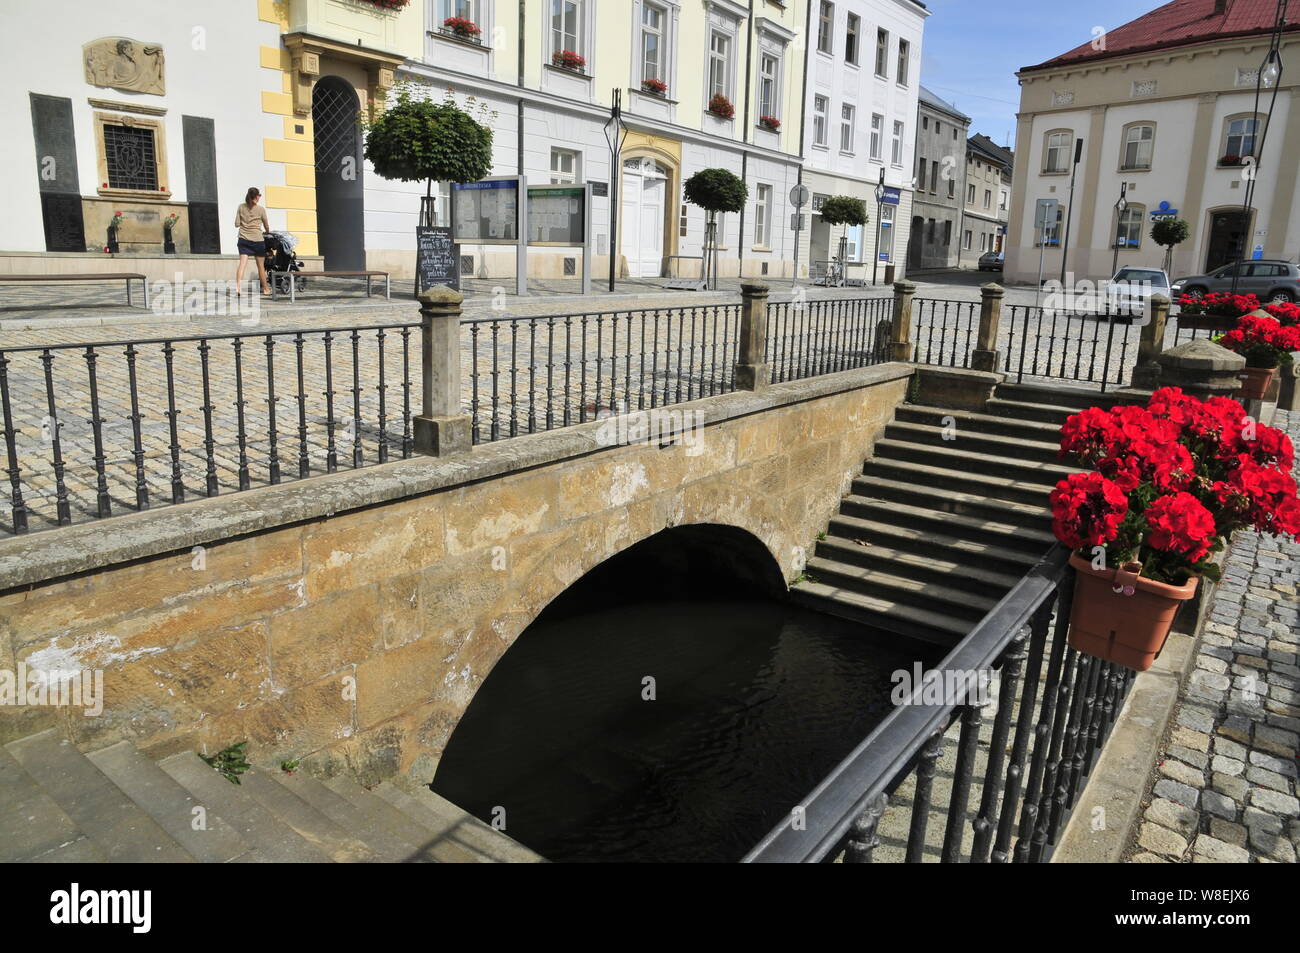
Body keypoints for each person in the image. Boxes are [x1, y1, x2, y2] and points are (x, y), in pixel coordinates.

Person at [234, 188, 272, 295]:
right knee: (260, 266)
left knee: (242, 264)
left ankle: (237, 288)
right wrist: (268, 231)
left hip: (243, 239)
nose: (260, 197)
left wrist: (245, 222)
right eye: (259, 195)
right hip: (257, 241)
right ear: (255, 197)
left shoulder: (241, 207)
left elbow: (236, 223)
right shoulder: (261, 209)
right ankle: (265, 289)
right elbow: (266, 225)